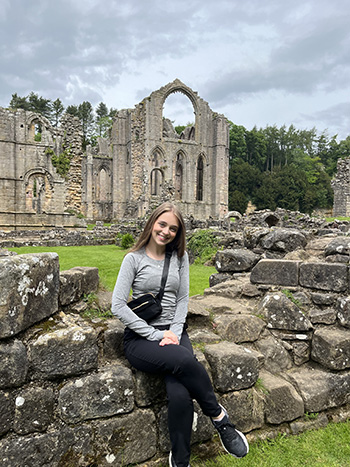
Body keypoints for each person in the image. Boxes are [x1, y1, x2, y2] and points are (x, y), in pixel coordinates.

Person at [112, 202, 249, 467]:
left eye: (173, 228)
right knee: (186, 362)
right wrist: (155, 335)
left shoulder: (180, 258)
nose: (166, 231)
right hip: (141, 339)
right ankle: (221, 419)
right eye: (162, 224)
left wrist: (174, 333)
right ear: (152, 223)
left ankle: (181, 460)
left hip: (174, 334)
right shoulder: (134, 259)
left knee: (180, 394)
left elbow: (183, 298)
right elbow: (117, 305)